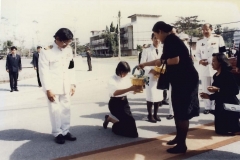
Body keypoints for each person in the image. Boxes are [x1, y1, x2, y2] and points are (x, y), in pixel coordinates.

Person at [139, 21, 199, 154]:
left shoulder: (171, 40)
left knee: (182, 113)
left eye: (156, 34)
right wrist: (144, 64)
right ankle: (179, 137)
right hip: (180, 80)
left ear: (160, 31)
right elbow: (160, 61)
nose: (156, 38)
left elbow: (175, 60)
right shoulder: (170, 41)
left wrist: (163, 62)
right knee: (178, 110)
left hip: (186, 81)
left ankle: (182, 145)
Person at [39, 28, 77, 144]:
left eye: (68, 42)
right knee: (55, 110)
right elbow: (43, 72)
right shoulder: (46, 51)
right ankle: (57, 133)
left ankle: (65, 131)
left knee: (66, 109)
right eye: (64, 42)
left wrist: (72, 83)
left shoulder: (68, 50)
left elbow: (71, 67)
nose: (66, 44)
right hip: (53, 87)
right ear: (57, 39)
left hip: (66, 85)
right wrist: (48, 89)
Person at [200, 53, 240, 135]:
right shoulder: (216, 75)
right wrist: (209, 96)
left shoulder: (228, 74)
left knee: (231, 130)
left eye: (214, 61)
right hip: (220, 105)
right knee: (219, 131)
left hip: (230, 105)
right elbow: (219, 93)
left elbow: (235, 91)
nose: (212, 63)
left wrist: (218, 89)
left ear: (220, 62)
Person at [103, 61, 140, 138]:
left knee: (133, 128)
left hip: (124, 103)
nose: (125, 75)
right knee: (129, 129)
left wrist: (137, 89)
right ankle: (114, 126)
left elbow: (131, 90)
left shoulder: (127, 77)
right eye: (124, 73)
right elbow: (115, 93)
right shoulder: (112, 79)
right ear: (119, 70)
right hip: (115, 104)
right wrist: (129, 88)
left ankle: (109, 119)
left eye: (126, 73)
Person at [196, 23, 226, 114]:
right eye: (203, 30)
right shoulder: (199, 42)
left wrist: (210, 61)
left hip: (215, 68)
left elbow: (222, 53)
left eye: (206, 29)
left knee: (214, 87)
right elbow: (197, 54)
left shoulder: (218, 38)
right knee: (205, 87)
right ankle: (207, 107)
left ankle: (214, 106)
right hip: (204, 68)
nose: (205, 31)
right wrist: (200, 61)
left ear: (211, 29)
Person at [140, 33, 163, 123]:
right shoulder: (147, 51)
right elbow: (142, 63)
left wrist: (161, 70)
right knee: (150, 95)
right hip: (150, 75)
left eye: (158, 38)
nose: (157, 40)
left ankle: (155, 114)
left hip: (160, 75)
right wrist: (151, 70)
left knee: (158, 95)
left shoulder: (163, 50)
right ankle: (150, 115)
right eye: (155, 38)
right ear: (152, 39)